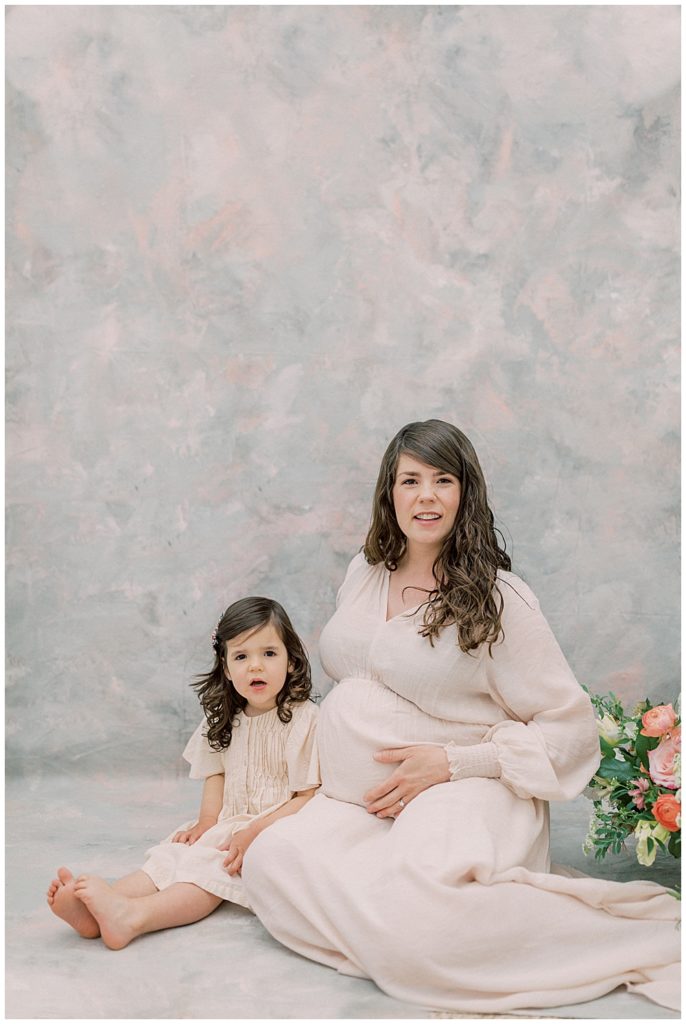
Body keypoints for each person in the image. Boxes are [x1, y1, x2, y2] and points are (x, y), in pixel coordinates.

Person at [241, 419, 680, 1014]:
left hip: (470, 788)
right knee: (271, 859)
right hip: (360, 804)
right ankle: (394, 935)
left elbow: (569, 730)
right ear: (388, 493)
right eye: (410, 480)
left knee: (426, 917)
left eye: (442, 480)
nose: (426, 496)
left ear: (464, 493)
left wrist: (452, 762)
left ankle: (624, 939)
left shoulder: (500, 599)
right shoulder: (363, 573)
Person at [46, 597, 320, 950]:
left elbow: (306, 797)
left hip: (272, 828)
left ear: (291, 659)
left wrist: (252, 832)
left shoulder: (303, 718)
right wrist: (206, 821)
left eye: (269, 653)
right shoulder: (227, 718)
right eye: (241, 656)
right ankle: (97, 906)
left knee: (206, 871)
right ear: (225, 666)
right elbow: (216, 775)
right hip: (229, 823)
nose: (256, 667)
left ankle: (133, 917)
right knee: (172, 856)